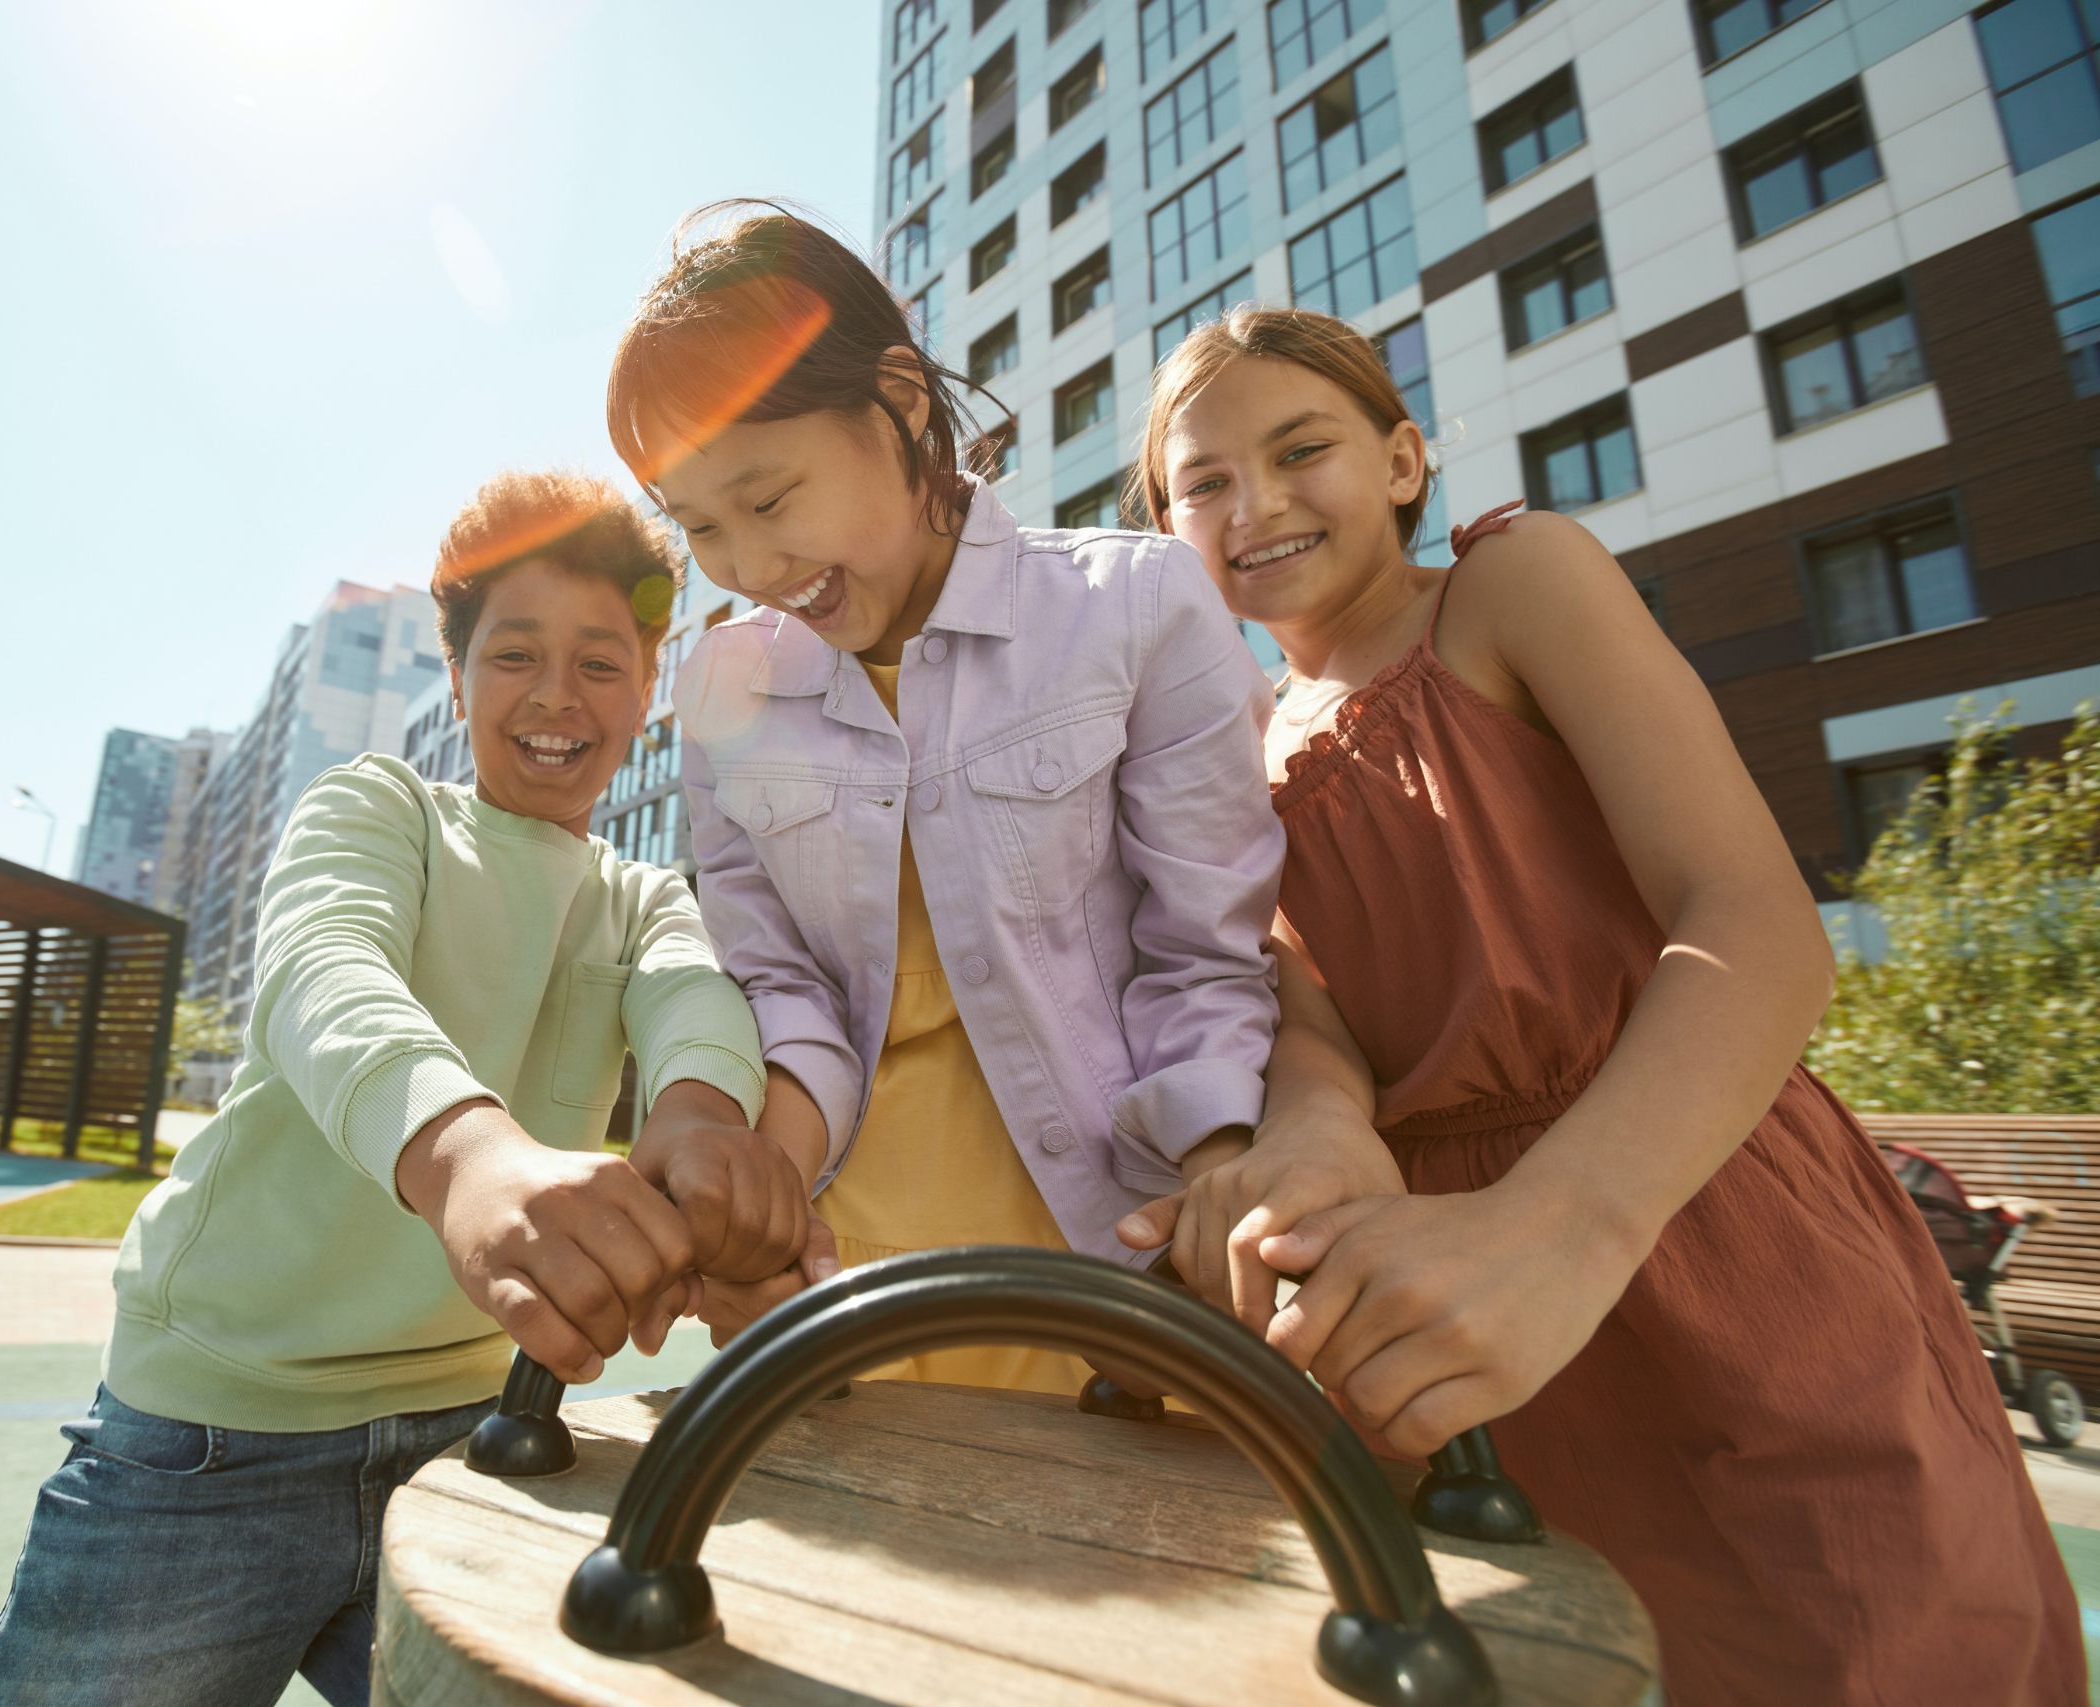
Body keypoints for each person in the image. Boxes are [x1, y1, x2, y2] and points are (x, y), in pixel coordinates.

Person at [1122, 302, 2081, 1705]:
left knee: (1862, 1636)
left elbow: (1753, 921)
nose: (1251, 501)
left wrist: (1563, 1220)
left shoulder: (1515, 587)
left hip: (1686, 1203)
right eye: (1201, 483)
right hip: (1450, 1305)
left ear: (1402, 460)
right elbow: (1311, 1026)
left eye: (1298, 447)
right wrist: (1310, 1152)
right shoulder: (1233, 759)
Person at [0, 470, 800, 1707]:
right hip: (210, 1439)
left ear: (650, 693)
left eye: (602, 663)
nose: (557, 697)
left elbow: (693, 999)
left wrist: (698, 1122)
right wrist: (470, 1156)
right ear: (458, 678)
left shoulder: (641, 897)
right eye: (515, 655)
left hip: (480, 1433)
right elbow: (323, 966)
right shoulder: (381, 809)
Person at [605, 206, 1380, 1394]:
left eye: (767, 502)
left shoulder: (1137, 608)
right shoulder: (720, 689)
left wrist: (1216, 1182)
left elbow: (1207, 952)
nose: (750, 568)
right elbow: (779, 984)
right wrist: (759, 1188)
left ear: (903, 400)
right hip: (838, 1286)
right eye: (698, 525)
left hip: (1115, 1264)